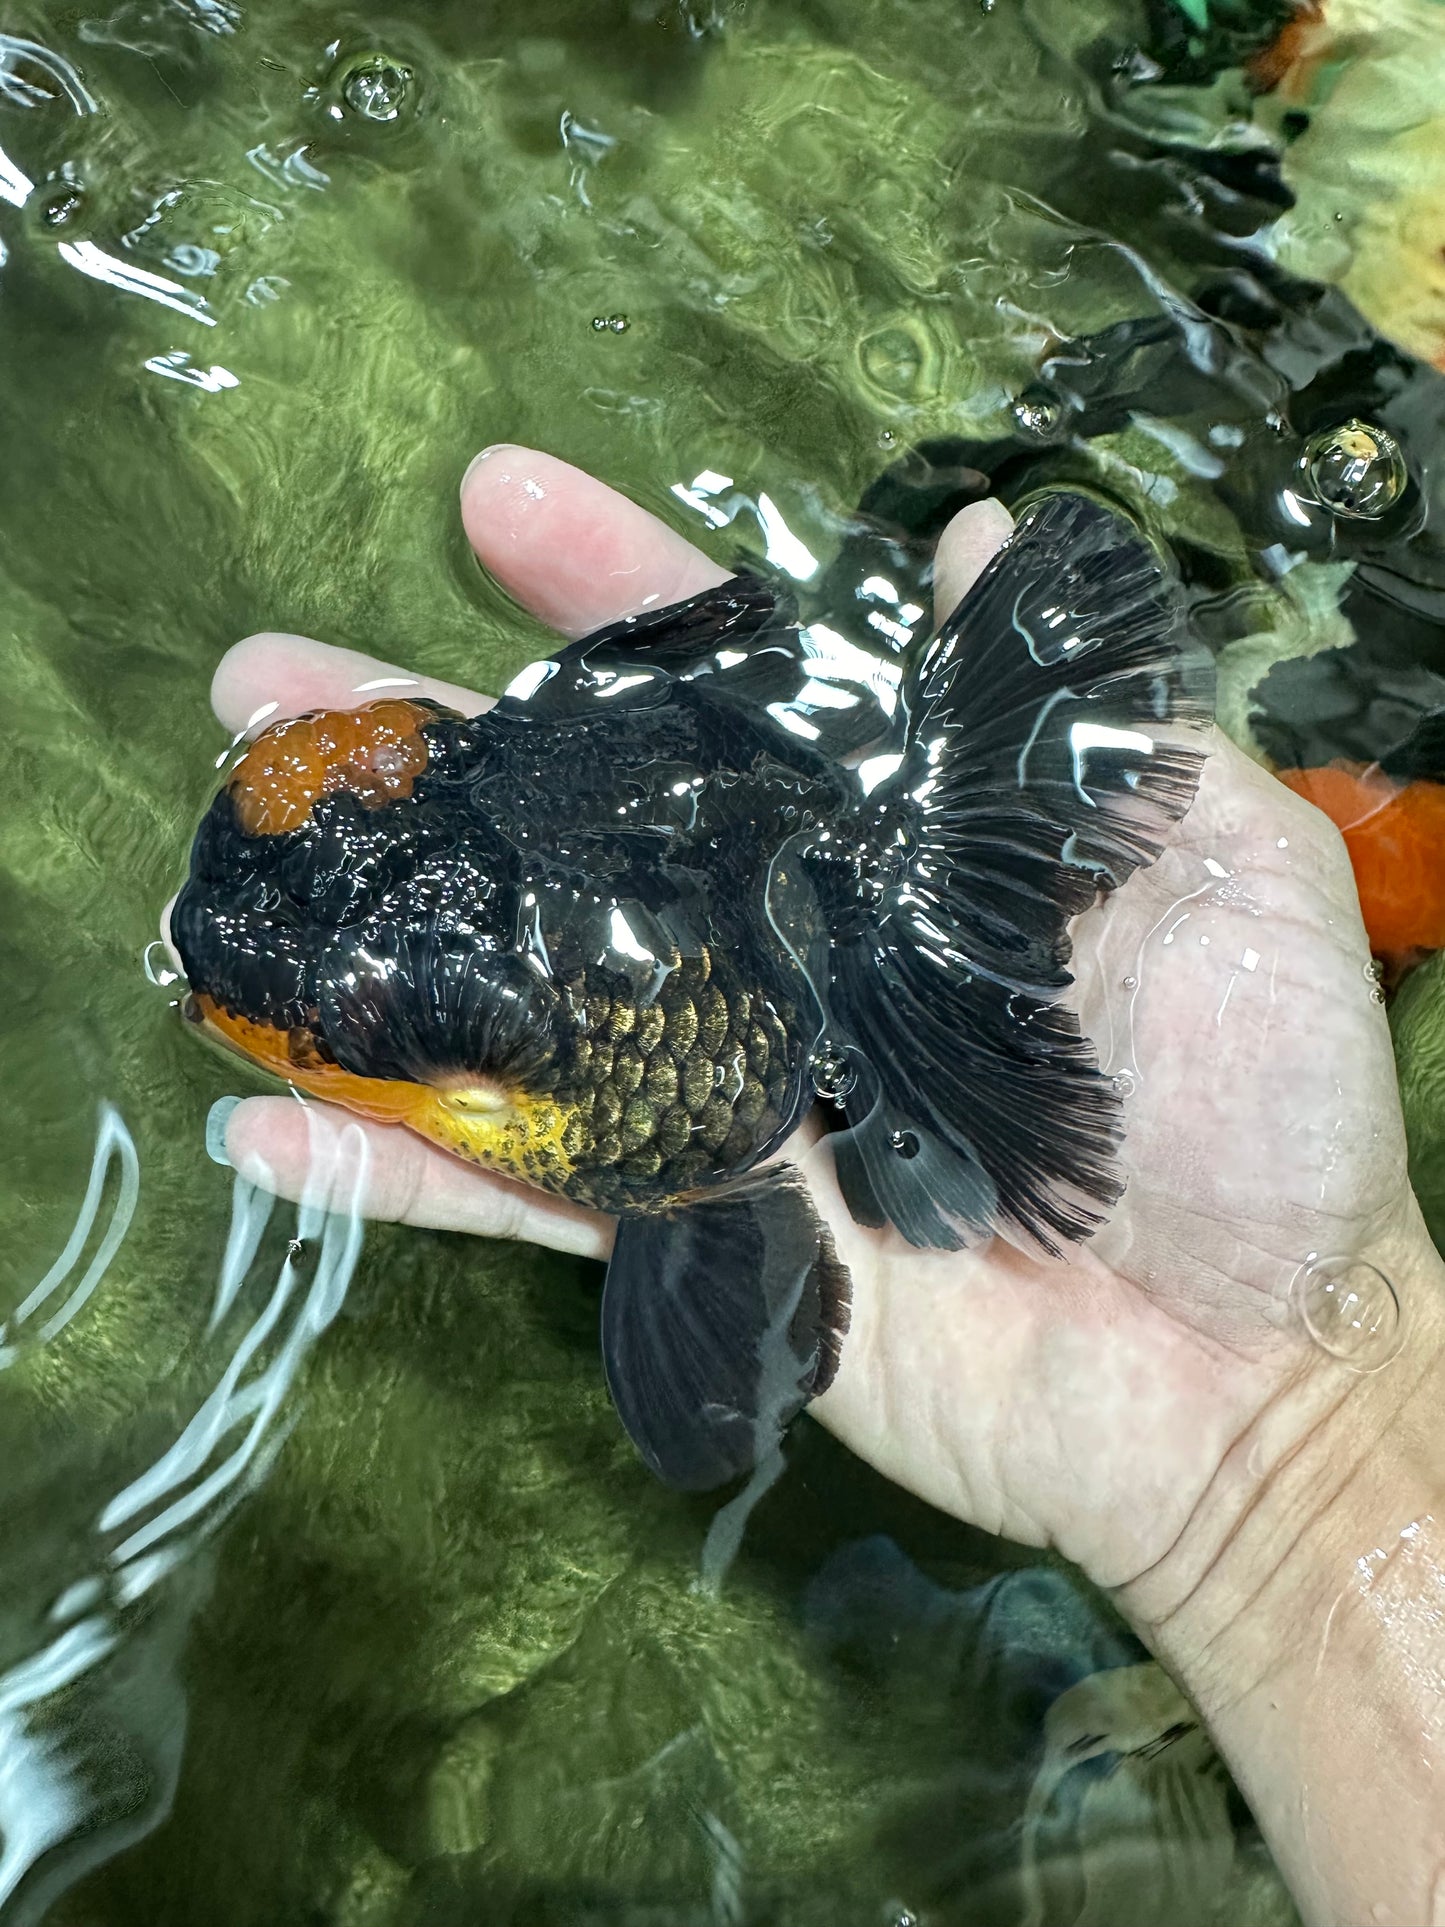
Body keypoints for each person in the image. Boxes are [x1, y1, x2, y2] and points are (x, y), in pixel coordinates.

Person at [193, 445, 1445, 1927]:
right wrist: (1308, 1452)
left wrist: (1304, 1449)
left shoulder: (610, 1052)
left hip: (747, 974)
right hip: (733, 799)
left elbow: (701, 1281)